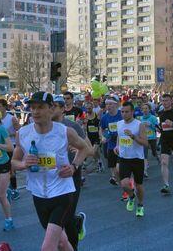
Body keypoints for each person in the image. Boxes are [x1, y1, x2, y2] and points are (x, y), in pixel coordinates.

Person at [11, 92, 89, 251]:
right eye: (33, 108)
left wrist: (74, 166)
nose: (35, 111)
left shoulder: (65, 132)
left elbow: (84, 149)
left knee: (48, 247)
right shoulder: (23, 134)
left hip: (62, 193)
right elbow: (13, 162)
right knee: (61, 243)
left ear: (51, 108)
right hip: (39, 194)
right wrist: (24, 164)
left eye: (40, 107)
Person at [52, 95, 93, 249]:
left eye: (55, 106)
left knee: (66, 216)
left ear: (62, 109)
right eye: (50, 106)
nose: (51, 109)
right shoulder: (44, 127)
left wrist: (77, 150)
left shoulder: (72, 127)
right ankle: (76, 222)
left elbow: (89, 151)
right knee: (57, 217)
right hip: (54, 176)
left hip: (72, 174)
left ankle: (73, 246)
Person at [115, 101, 148, 217]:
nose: (124, 114)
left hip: (137, 159)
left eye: (126, 112)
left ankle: (140, 205)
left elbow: (145, 143)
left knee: (139, 185)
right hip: (124, 158)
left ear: (132, 112)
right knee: (124, 184)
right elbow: (119, 136)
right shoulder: (119, 124)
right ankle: (131, 196)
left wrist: (133, 137)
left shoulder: (139, 124)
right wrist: (117, 146)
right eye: (122, 112)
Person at [0, 99, 21, 201]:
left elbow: (20, 131)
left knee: (11, 169)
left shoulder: (11, 119)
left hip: (11, 145)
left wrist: (8, 134)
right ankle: (5, 189)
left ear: (5, 107)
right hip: (0, 146)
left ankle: (15, 189)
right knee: (1, 169)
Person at [99, 94, 122, 186]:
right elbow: (101, 129)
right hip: (111, 143)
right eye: (107, 104)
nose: (108, 106)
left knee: (119, 167)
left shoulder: (122, 114)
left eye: (110, 104)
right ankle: (115, 177)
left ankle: (120, 178)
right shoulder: (105, 117)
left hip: (122, 143)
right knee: (112, 164)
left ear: (116, 105)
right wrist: (103, 137)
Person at [140, 103, 159, 177]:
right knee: (144, 155)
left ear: (149, 109)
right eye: (143, 109)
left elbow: (157, 128)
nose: (144, 110)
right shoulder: (141, 119)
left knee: (154, 152)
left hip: (152, 137)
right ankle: (144, 171)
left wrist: (151, 125)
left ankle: (158, 157)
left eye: (146, 108)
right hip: (144, 138)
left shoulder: (153, 118)